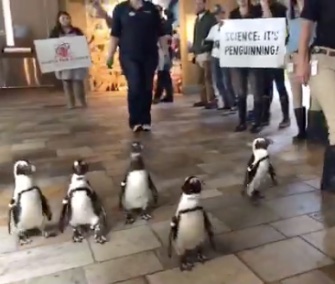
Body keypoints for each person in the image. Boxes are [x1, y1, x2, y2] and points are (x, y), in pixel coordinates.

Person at [106, 0, 169, 132]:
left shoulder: (151, 8)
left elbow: (161, 33)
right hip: (129, 55)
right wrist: (110, 55)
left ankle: (145, 120)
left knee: (147, 87)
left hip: (149, 55)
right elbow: (115, 34)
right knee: (135, 85)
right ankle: (135, 120)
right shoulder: (120, 9)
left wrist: (165, 52)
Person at [297, 0, 335, 191]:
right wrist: (302, 62)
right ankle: (332, 181)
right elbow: (306, 29)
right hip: (323, 61)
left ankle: (329, 178)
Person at [229, 0, 264, 133]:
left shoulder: (256, 11)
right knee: (241, 91)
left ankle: (257, 122)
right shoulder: (233, 15)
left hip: (255, 58)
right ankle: (242, 121)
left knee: (257, 90)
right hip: (239, 58)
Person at [261, 0, 290, 129]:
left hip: (276, 52)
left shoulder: (280, 9)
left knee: (280, 85)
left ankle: (286, 116)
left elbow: (276, 27)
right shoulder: (256, 10)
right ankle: (265, 115)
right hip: (262, 54)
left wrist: (266, 8)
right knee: (265, 87)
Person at [49, 11, 88, 109]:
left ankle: (82, 102)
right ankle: (70, 103)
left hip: (76, 61)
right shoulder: (55, 33)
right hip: (63, 61)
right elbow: (50, 46)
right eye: (63, 18)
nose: (66, 20)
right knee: (66, 82)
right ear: (58, 20)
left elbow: (83, 43)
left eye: (67, 18)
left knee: (78, 81)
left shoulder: (77, 31)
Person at [205, 4, 236, 113]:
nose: (218, 17)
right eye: (216, 15)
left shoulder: (230, 27)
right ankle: (226, 102)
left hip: (225, 56)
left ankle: (233, 103)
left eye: (220, 14)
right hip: (215, 56)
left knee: (227, 80)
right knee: (218, 81)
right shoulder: (214, 28)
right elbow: (208, 40)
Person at [191, 0, 217, 109]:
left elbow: (213, 35)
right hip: (198, 52)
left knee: (208, 78)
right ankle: (203, 99)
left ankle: (212, 99)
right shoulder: (197, 19)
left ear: (204, 4)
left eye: (199, 3)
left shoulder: (210, 18)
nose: (197, 6)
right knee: (200, 78)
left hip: (207, 52)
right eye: (196, 3)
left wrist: (207, 46)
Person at [153, 5, 174, 104]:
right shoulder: (160, 23)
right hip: (160, 50)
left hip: (164, 50)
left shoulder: (164, 24)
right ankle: (168, 95)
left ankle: (158, 95)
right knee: (164, 74)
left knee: (162, 73)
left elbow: (167, 38)